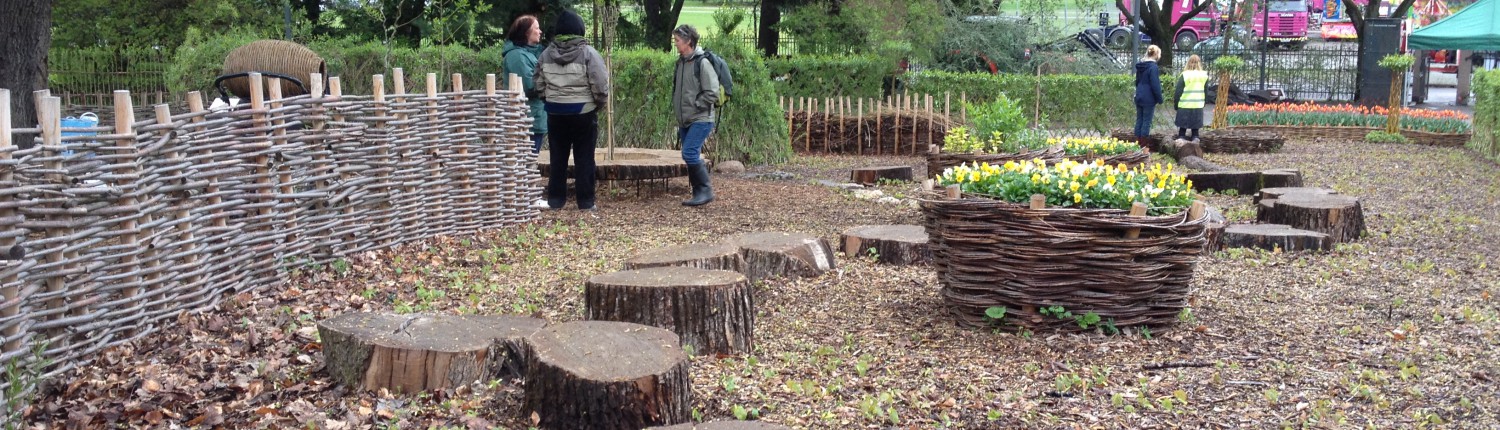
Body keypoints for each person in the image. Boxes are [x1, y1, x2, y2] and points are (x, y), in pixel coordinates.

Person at [535, 10, 610, 211]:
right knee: (584, 157)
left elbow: (539, 84)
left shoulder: (545, 54)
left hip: (555, 113)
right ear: (580, 30)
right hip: (583, 112)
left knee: (557, 158)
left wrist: (550, 101)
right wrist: (598, 104)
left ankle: (555, 201)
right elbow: (601, 85)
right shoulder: (588, 54)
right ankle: (586, 202)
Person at [501, 14, 549, 209]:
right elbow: (530, 85)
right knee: (525, 158)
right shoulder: (517, 56)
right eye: (536, 28)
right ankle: (526, 198)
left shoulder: (527, 53)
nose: (540, 31)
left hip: (534, 115)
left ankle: (525, 196)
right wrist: (550, 83)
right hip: (526, 117)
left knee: (530, 156)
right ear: (527, 32)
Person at [670, 25, 719, 207]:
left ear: (688, 41)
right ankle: (698, 193)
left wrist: (696, 106)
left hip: (701, 118)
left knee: (689, 153)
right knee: (690, 155)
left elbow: (713, 92)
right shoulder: (681, 62)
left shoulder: (702, 63)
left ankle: (705, 191)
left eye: (677, 40)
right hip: (685, 120)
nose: (675, 44)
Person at [1173, 54, 1209, 143]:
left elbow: (1178, 91)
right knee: (1195, 128)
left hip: (1185, 104)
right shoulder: (1204, 75)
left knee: (1182, 127)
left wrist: (1176, 104)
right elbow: (1206, 91)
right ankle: (1195, 138)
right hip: (1198, 104)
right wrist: (1204, 102)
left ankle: (1181, 139)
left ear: (1188, 63)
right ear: (1199, 63)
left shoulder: (1185, 75)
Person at [1133, 45, 1164, 141]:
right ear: (1156, 54)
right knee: (1146, 122)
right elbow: (1155, 85)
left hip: (1139, 96)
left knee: (1139, 120)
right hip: (1149, 98)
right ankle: (1143, 146)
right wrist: (1160, 99)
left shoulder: (1140, 66)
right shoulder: (1153, 67)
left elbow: (1137, 81)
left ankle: (1137, 143)